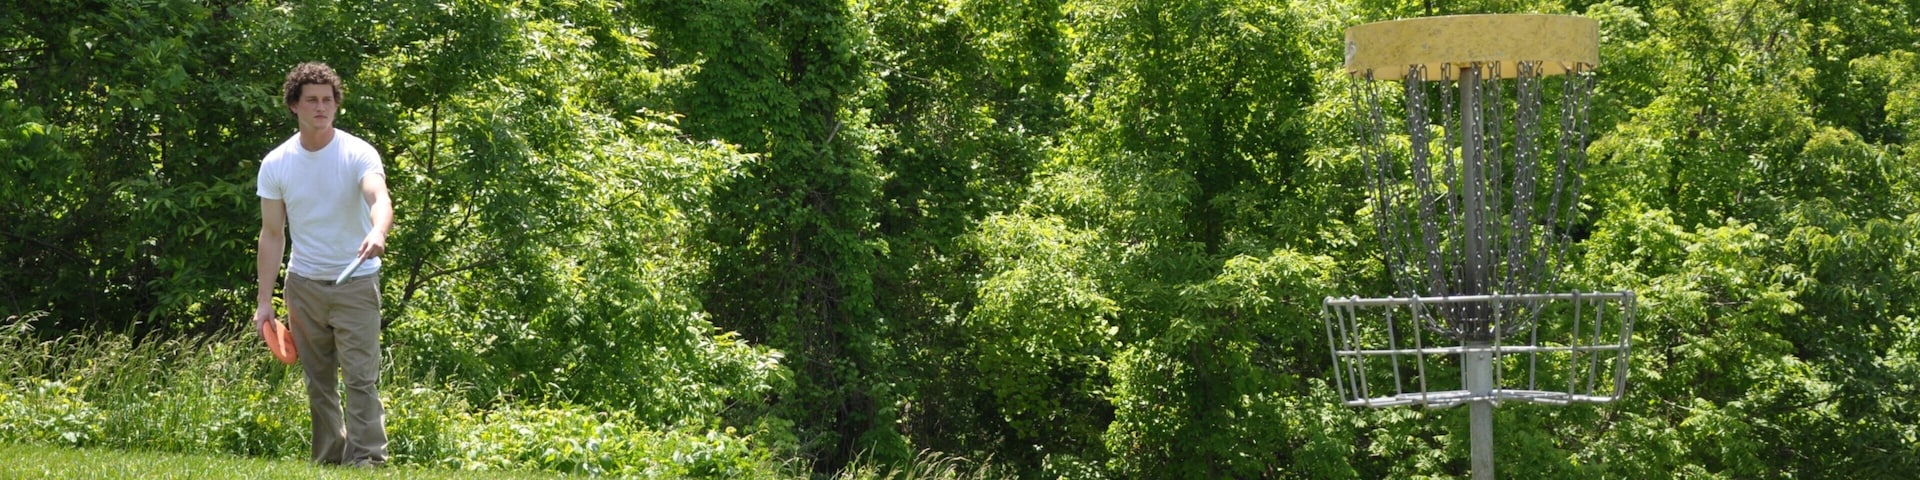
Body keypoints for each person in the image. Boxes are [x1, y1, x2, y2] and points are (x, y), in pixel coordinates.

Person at [253, 62, 393, 468]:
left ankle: (367, 460)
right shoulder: (276, 163)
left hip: (356, 281)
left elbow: (378, 197)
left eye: (327, 100)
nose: (321, 107)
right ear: (294, 106)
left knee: (360, 380)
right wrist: (265, 301)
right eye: (311, 100)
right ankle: (330, 459)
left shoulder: (357, 152)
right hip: (304, 285)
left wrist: (378, 231)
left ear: (336, 105)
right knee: (318, 383)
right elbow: (272, 234)